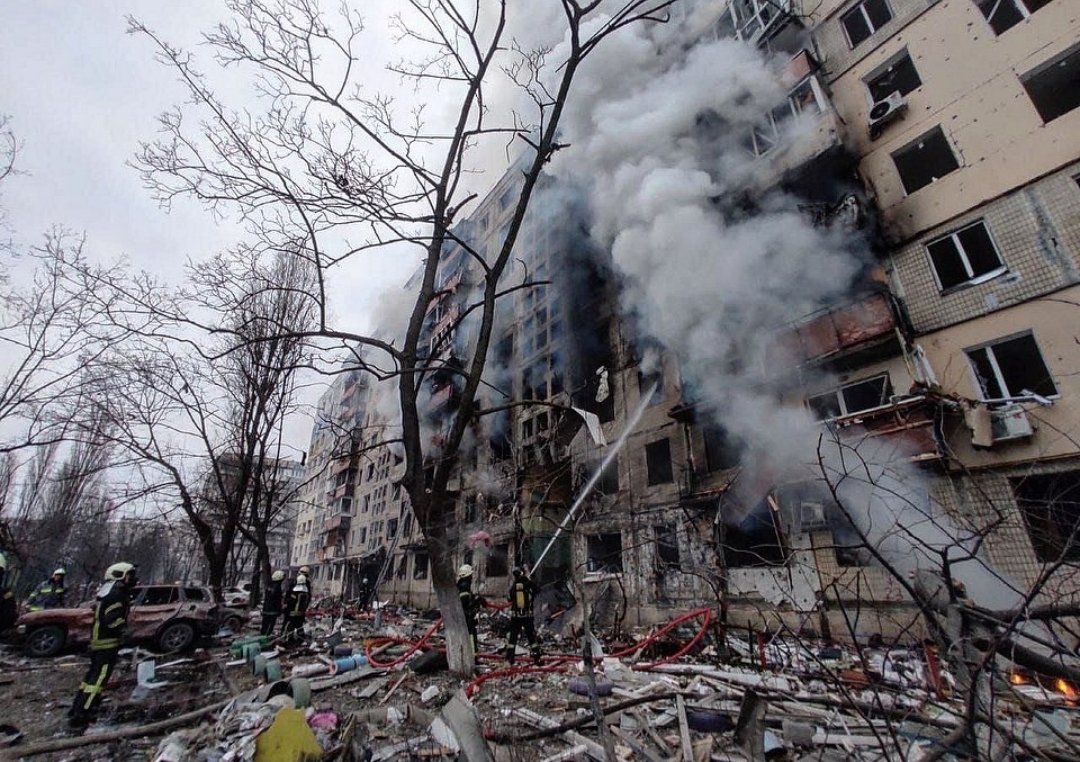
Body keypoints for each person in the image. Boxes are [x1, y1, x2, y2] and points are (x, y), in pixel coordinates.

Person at [68, 562, 137, 730]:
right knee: (98, 679)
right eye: (130, 575)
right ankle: (81, 714)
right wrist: (124, 629)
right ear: (120, 576)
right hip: (107, 644)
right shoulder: (116, 595)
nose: (133, 579)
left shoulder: (108, 592)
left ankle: (77, 707)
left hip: (100, 642)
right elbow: (111, 620)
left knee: (91, 678)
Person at [506, 566, 541, 665]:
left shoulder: (515, 585)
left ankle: (509, 659)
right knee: (531, 638)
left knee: (513, 638)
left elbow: (509, 598)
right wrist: (529, 581)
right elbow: (538, 590)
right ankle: (537, 658)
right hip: (527, 617)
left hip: (516, 617)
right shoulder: (529, 583)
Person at [456, 564, 485, 653]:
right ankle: (473, 657)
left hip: (462, 619)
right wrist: (477, 601)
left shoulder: (460, 586)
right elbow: (466, 604)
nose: (472, 578)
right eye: (470, 575)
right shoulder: (465, 587)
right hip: (467, 619)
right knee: (471, 638)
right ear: (468, 576)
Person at [282, 573, 310, 644]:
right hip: (301, 613)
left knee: (289, 626)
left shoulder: (295, 593)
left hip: (293, 613)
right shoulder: (306, 593)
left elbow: (291, 602)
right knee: (299, 627)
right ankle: (301, 640)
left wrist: (285, 606)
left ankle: (288, 640)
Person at [261, 570, 285, 637]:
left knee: (264, 626)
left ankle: (262, 637)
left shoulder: (269, 586)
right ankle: (265, 638)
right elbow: (277, 601)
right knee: (269, 627)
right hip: (272, 611)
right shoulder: (277, 588)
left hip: (266, 610)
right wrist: (279, 610)